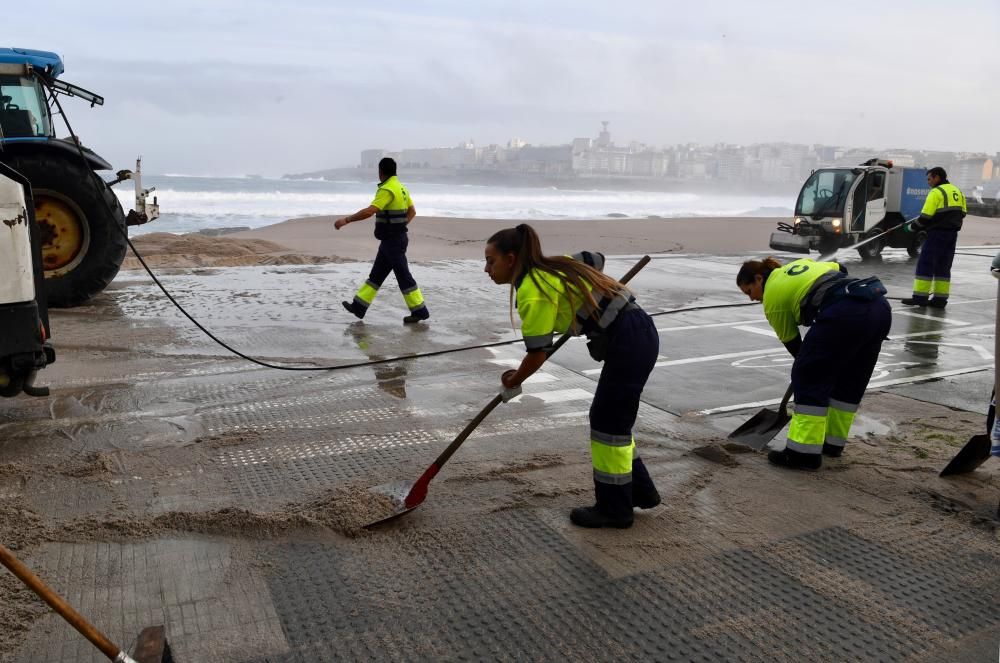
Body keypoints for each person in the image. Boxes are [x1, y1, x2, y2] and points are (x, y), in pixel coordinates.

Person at [484, 224, 660, 528]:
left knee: (608, 424)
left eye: (491, 261)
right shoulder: (553, 266)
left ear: (511, 259)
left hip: (628, 340)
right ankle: (640, 492)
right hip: (636, 333)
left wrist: (516, 380)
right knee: (613, 420)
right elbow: (597, 258)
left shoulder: (532, 292)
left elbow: (537, 352)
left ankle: (615, 509)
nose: (486, 269)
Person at [736, 256, 891, 470]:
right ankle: (832, 443)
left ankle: (803, 454)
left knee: (808, 376)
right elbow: (840, 268)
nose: (752, 299)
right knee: (848, 381)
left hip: (844, 314)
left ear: (759, 278)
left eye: (749, 292)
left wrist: (809, 368)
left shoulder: (772, 297)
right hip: (878, 307)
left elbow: (794, 346)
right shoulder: (798, 265)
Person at [335, 157, 429, 323]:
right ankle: (359, 307)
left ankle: (420, 311)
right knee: (376, 275)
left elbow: (369, 211)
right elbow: (412, 212)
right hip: (393, 240)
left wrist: (346, 220)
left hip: (393, 241)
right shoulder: (401, 188)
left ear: (381, 171)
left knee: (404, 276)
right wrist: (400, 226)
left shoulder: (387, 189)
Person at [900, 167, 966, 308]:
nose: (928, 182)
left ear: (937, 178)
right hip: (952, 235)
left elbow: (925, 218)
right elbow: (963, 212)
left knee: (925, 264)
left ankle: (919, 298)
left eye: (929, 178)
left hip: (937, 234)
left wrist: (910, 228)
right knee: (943, 266)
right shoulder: (957, 191)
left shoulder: (935, 192)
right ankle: (940, 300)